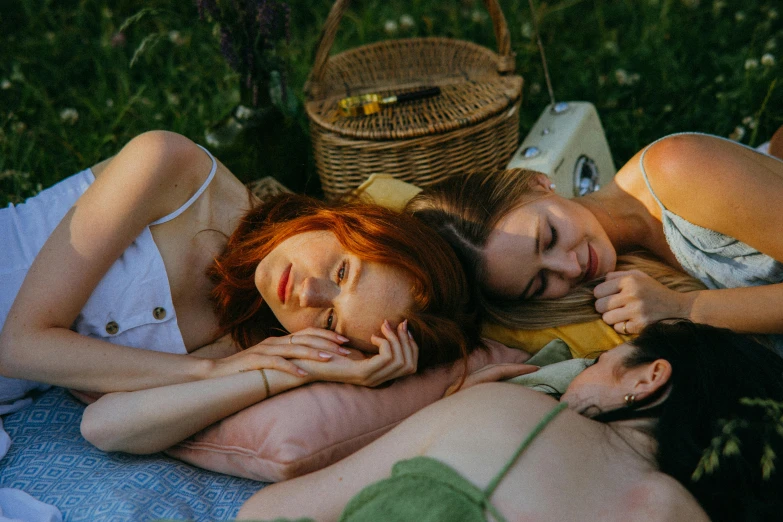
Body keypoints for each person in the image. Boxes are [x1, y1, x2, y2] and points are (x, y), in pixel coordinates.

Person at [0, 130, 479, 438]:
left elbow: (106, 425)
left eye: (330, 319)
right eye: (341, 272)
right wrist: (206, 374)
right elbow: (19, 347)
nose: (308, 296)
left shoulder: (251, 338)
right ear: (345, 221)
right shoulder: (173, 169)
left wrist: (295, 372)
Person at [237, 321, 783, 522]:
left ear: (647, 379)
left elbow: (267, 512)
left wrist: (446, 410)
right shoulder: (675, 511)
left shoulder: (507, 408)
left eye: (596, 362)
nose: (574, 377)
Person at [407, 131, 783, 354]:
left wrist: (685, 308)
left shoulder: (677, 168)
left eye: (549, 237)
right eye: (539, 283)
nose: (570, 269)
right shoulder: (619, 274)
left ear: (537, 181)